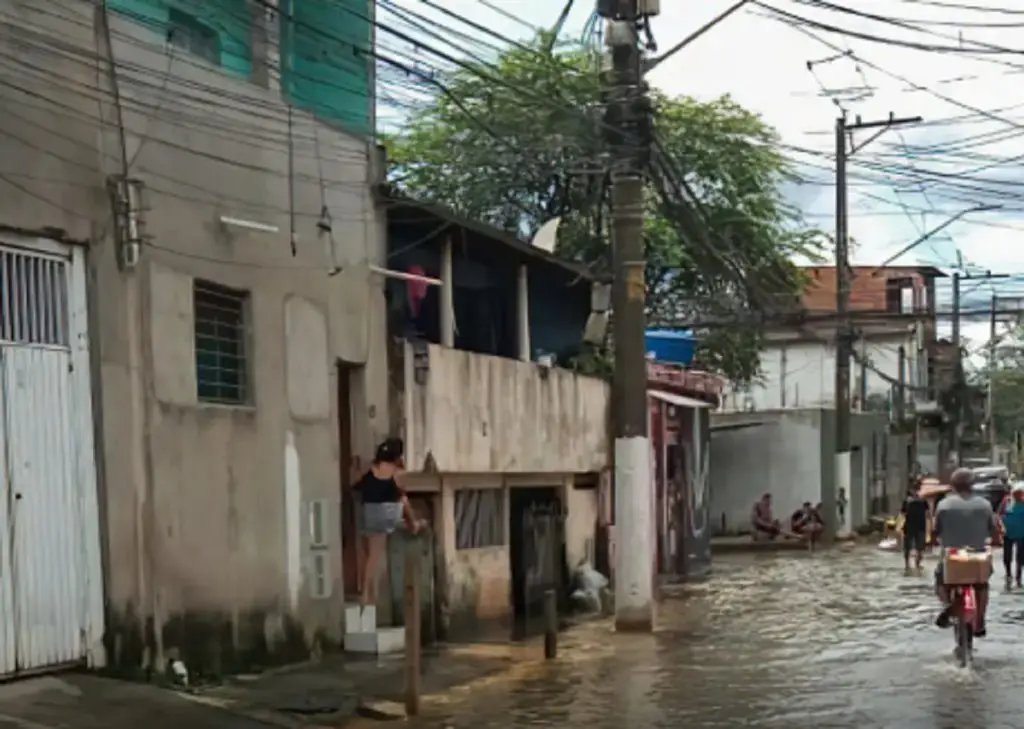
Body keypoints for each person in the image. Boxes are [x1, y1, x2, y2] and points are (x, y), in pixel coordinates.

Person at [351, 438, 425, 612]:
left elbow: (357, 485)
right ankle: (366, 595)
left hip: (368, 512)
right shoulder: (396, 472)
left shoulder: (371, 468)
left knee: (368, 554)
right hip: (386, 514)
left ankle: (369, 593)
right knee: (375, 555)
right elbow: (402, 495)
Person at [934, 467, 1001, 637]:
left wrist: (934, 540)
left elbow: (936, 530)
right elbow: (993, 530)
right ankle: (980, 621)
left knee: (940, 581)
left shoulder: (944, 504)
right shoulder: (985, 505)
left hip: (952, 556)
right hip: (978, 556)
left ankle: (947, 605)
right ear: (972, 484)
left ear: (953, 485)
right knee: (982, 584)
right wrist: (994, 540)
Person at [901, 483, 929, 572]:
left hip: (914, 526)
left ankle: (911, 565)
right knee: (915, 548)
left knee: (915, 548)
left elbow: (903, 514)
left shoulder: (909, 501)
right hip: (915, 526)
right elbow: (927, 514)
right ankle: (912, 565)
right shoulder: (922, 501)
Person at [1001, 484, 1024, 588]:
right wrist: (1001, 525)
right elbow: (999, 514)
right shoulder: (1007, 501)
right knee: (1007, 555)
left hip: (1021, 532)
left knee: (1020, 556)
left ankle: (1018, 576)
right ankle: (1009, 574)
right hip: (1008, 532)